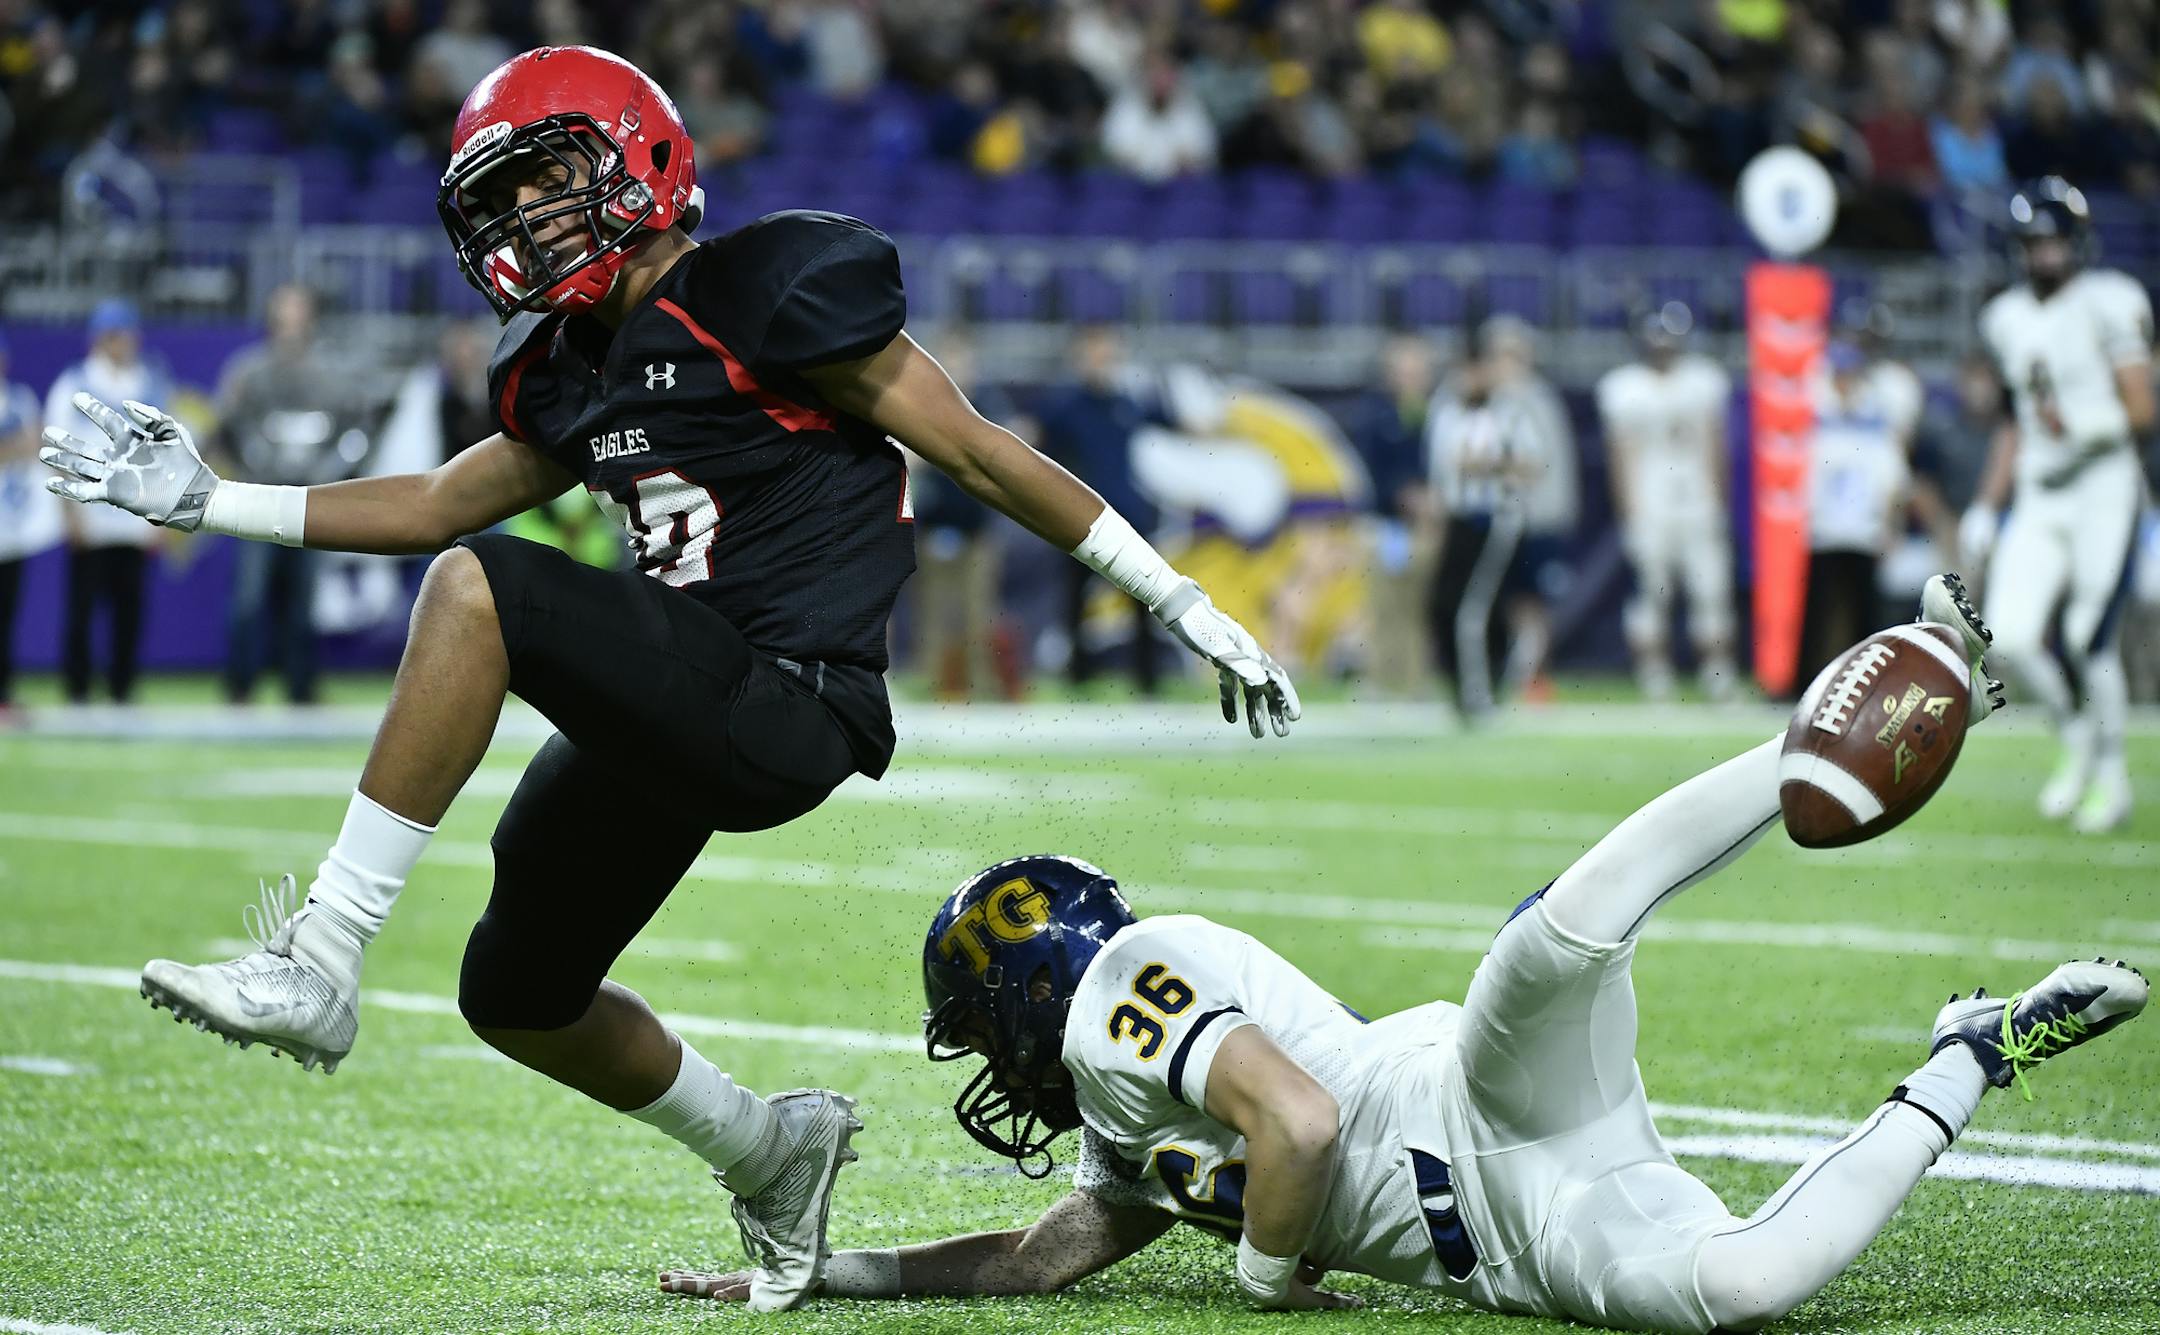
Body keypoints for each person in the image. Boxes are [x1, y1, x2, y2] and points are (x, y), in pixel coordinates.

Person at [39, 45, 1298, 1315]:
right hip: (684, 701)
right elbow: (431, 500)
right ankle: (769, 1148)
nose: (523, 217)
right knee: (518, 995)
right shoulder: (570, 364)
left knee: (484, 590)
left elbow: (974, 451)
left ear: (639, 158)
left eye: (545, 179)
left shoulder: (764, 288)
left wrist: (1178, 598)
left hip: (792, 697)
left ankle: (320, 956)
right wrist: (208, 500)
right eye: (503, 198)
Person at [661, 585, 2142, 1334]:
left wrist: (1262, 1279)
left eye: (985, 1026)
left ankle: (1817, 735)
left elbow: (1298, 1126)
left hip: (1465, 1099)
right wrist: (826, 1274)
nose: (996, 1063)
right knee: (1740, 1286)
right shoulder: (1121, 1105)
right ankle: (1971, 1050)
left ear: (1029, 983)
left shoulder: (1122, 987)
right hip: (1510, 1240)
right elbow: (1045, 1256)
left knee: (1562, 932)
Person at [1961, 178, 2155, 834]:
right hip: (2042, 492)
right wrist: (1987, 504)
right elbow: (2017, 423)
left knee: (2086, 639)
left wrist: (2088, 433)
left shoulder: (2110, 301)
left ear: (2076, 243)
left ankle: (2111, 775)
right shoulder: (2006, 317)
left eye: (2053, 242)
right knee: (2008, 637)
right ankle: (2074, 736)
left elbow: (2140, 409)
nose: (2044, 256)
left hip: (2104, 482)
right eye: (2033, 243)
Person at [216, 283, 361, 705]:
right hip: (259, 499)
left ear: (311, 318)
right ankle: (239, 686)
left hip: (311, 502)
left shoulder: (334, 374)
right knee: (248, 598)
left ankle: (301, 687)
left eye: (298, 312)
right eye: (284, 313)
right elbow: (227, 426)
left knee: (304, 600)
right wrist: (252, 463)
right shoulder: (247, 371)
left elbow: (357, 431)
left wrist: (333, 468)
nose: (291, 323)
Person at [1596, 304, 1739, 702]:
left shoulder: (1702, 381)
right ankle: (1653, 674)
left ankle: (1717, 674)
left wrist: (1718, 499)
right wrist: (1628, 510)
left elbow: (1715, 445)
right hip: (1651, 501)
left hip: (1696, 499)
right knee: (1652, 591)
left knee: (1710, 588)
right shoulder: (1624, 387)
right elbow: (1620, 455)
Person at [44, 298, 168, 704]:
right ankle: (77, 687)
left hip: (134, 516)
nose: (126, 343)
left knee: (130, 611)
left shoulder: (149, 384)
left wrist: (160, 516)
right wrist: (69, 513)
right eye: (119, 336)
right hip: (90, 512)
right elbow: (56, 449)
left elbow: (165, 456)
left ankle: (122, 687)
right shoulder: (74, 384)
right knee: (82, 609)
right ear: (102, 339)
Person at [1424, 353, 1549, 721]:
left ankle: (1479, 693)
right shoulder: (1447, 413)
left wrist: (1492, 464)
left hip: (1496, 517)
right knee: (1446, 605)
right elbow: (1441, 472)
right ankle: (1464, 687)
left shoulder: (1508, 414)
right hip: (1459, 519)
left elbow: (1533, 464)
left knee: (1473, 609)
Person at [1036, 325, 1158, 694]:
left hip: (1129, 516)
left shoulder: (1127, 403)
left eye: (1107, 355)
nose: (1101, 363)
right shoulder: (1064, 408)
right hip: (1083, 519)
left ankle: (1147, 682)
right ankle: (1079, 678)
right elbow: (1037, 447)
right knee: (1076, 602)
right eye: (1094, 355)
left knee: (1143, 600)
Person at [907, 328, 1024, 699]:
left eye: (962, 359)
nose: (957, 367)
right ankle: (937, 685)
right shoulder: (925, 403)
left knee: (979, 612)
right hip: (935, 527)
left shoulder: (987, 404)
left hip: (977, 530)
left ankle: (982, 685)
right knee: (935, 613)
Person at [1797, 341, 1912, 686]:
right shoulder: (1815, 413)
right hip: (1820, 529)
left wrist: (1890, 523)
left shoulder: (1874, 417)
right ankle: (1802, 684)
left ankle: (1865, 685)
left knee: (1865, 613)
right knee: (1815, 612)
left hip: (1863, 529)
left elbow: (1892, 476)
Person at [1480, 316, 1576, 700]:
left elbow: (1546, 464)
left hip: (1536, 518)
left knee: (1534, 602)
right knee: (1511, 602)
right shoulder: (1490, 400)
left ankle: (1532, 676)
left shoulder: (1536, 400)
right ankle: (1516, 673)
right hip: (1503, 518)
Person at [1347, 333, 1438, 698]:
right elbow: (1369, 473)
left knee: (1419, 606)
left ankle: (1416, 679)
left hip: (1424, 526)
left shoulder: (1432, 413)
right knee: (1382, 604)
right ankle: (1378, 679)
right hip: (1385, 525)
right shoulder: (1375, 415)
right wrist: (1404, 494)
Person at [0, 330, 56, 720]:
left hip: (11, 526)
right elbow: (21, 447)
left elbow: (37, 446)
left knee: (6, 614)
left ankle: (3, 691)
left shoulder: (18, 399)